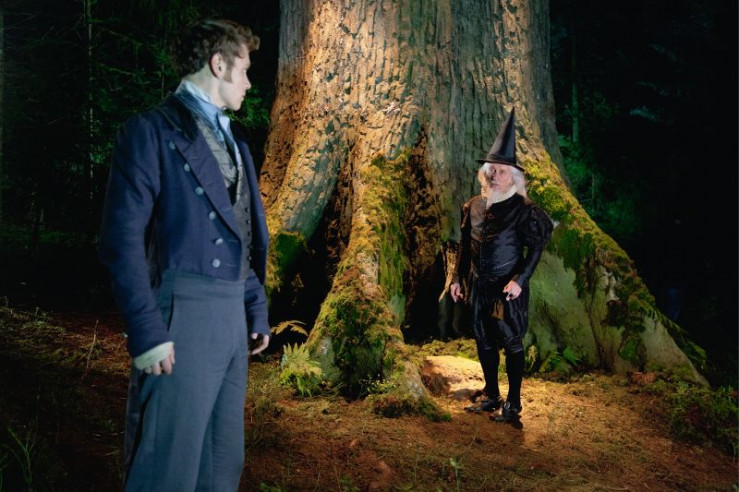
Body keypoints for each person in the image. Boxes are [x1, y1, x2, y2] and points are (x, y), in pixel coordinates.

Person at [98, 18, 270, 490]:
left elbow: (239, 232)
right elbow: (120, 239)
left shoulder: (236, 142)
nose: (249, 83)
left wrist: (254, 306)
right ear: (219, 65)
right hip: (183, 313)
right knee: (167, 464)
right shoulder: (150, 131)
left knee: (222, 464)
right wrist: (147, 329)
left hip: (231, 318)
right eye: (244, 70)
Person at [449, 108, 552, 423]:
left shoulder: (524, 210)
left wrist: (520, 279)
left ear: (514, 177)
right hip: (478, 285)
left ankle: (514, 405)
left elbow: (536, 247)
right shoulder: (473, 206)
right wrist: (456, 279)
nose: (495, 175)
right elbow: (464, 246)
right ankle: (492, 394)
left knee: (510, 341)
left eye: (502, 171)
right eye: (491, 170)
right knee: (482, 338)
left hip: (507, 288)